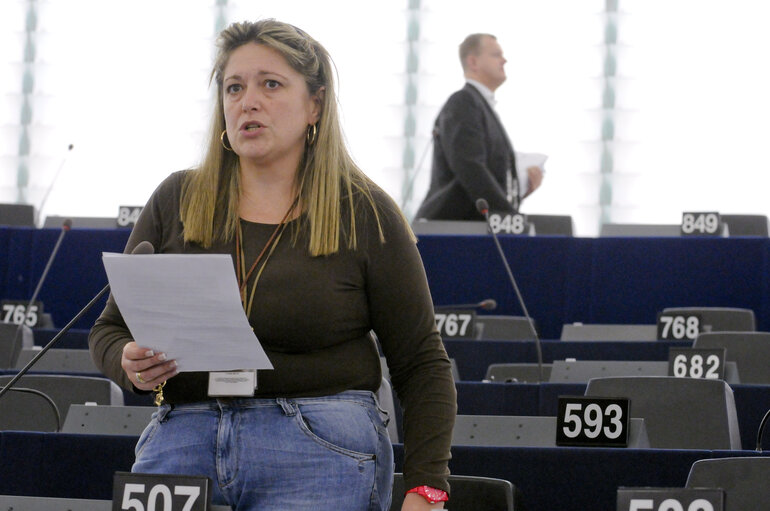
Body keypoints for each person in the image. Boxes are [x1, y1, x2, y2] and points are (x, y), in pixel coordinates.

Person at [89, 19, 456, 511]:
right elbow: (109, 330)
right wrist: (128, 363)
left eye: (271, 84)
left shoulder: (364, 211)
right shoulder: (177, 198)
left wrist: (426, 486)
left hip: (318, 440)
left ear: (315, 104)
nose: (248, 101)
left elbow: (421, 362)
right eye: (234, 87)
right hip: (184, 436)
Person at [415, 33, 544, 221]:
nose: (504, 60)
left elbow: (487, 178)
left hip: (473, 229)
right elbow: (471, 170)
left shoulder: (480, 107)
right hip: (452, 231)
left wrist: (520, 189)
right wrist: (511, 219)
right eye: (496, 55)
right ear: (473, 62)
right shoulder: (463, 103)